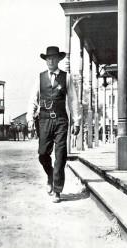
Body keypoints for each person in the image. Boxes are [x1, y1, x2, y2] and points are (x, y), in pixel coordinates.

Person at [27, 46, 81, 203]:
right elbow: (33, 99)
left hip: (61, 121)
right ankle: (50, 174)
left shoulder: (67, 77)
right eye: (48, 59)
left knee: (60, 155)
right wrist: (30, 118)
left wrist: (76, 121)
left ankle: (57, 190)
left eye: (54, 58)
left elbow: (73, 100)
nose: (51, 61)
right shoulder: (40, 78)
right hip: (43, 120)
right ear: (46, 60)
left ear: (59, 60)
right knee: (43, 154)